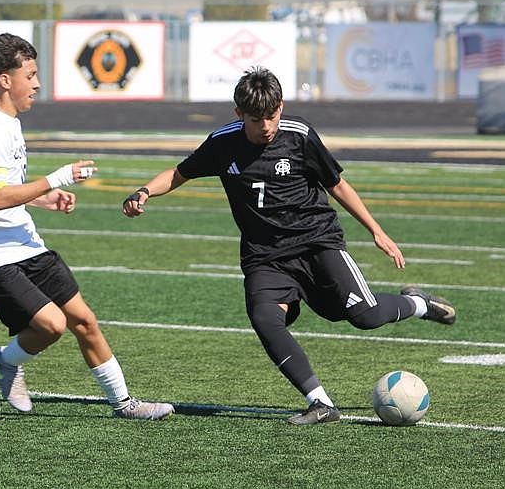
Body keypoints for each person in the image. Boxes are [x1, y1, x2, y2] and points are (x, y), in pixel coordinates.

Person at [122, 66, 455, 425]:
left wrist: (376, 230)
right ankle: (321, 403)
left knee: (366, 316)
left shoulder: (299, 136)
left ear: (280, 106)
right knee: (265, 318)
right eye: (255, 119)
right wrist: (143, 192)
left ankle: (419, 303)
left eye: (271, 115)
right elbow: (178, 173)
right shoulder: (223, 142)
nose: (265, 125)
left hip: (317, 244)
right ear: (239, 114)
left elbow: (337, 185)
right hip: (265, 256)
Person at [0, 33, 173, 420]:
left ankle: (124, 404)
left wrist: (42, 198)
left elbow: (4, 188)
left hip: (22, 239)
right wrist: (57, 179)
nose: (37, 84)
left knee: (84, 320)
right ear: (6, 80)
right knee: (51, 325)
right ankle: (5, 360)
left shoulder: (9, 122)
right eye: (30, 75)